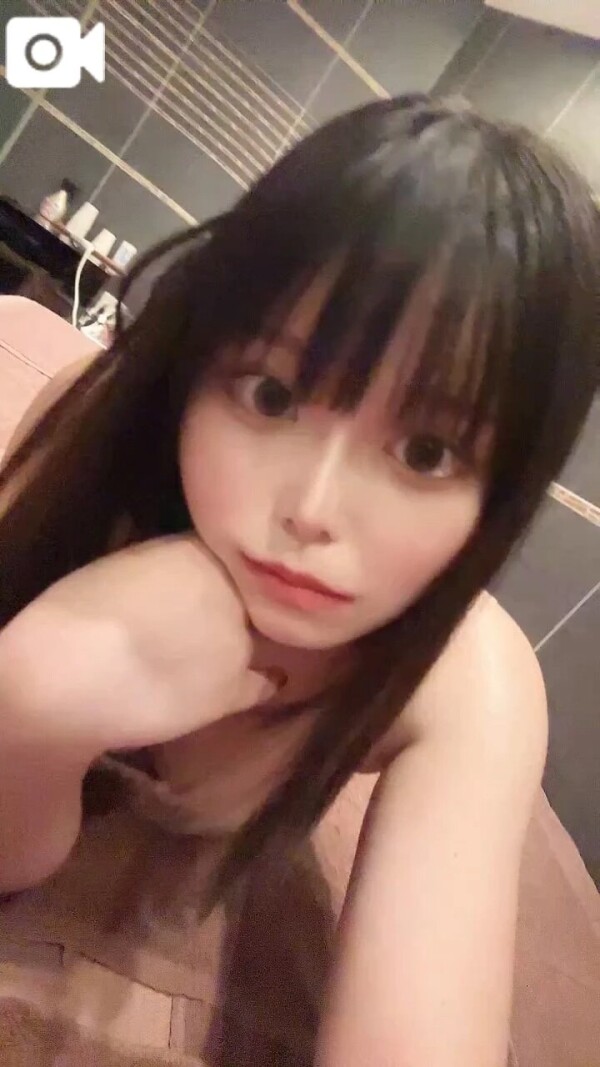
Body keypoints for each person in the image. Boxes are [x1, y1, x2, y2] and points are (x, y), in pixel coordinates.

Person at [0, 94, 597, 1066]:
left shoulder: (465, 676)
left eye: (427, 451)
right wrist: (26, 705)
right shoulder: (98, 454)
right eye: (271, 393)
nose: (313, 508)